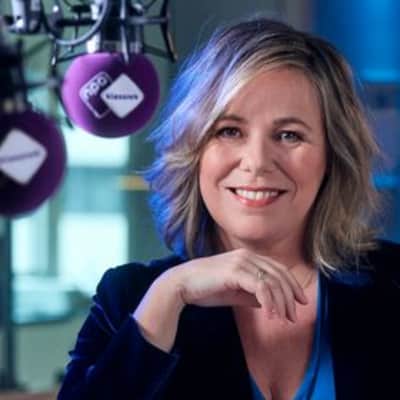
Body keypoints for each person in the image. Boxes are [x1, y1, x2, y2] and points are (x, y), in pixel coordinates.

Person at [57, 17, 400, 400]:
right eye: (229, 131)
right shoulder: (132, 298)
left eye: (289, 135)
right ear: (193, 150)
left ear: (332, 156)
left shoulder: (394, 284)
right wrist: (172, 294)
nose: (257, 162)